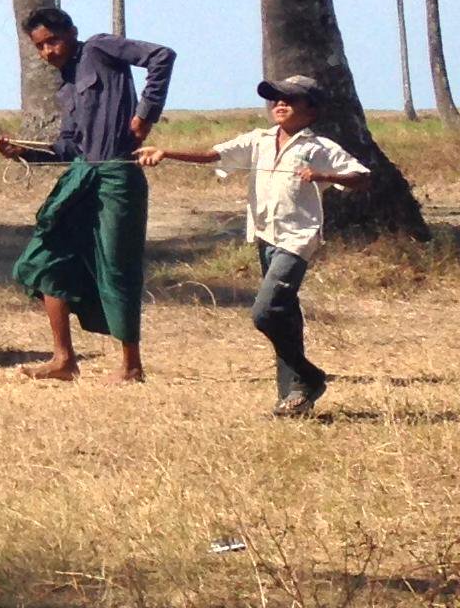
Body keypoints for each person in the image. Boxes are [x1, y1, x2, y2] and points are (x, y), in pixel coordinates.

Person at [136, 75, 371, 416]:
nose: (279, 104)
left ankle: (309, 376)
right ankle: (292, 399)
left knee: (265, 312)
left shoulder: (319, 148)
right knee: (284, 315)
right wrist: (166, 152)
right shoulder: (258, 141)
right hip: (265, 236)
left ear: (312, 109)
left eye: (290, 99)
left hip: (298, 238)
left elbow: (362, 178)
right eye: (275, 98)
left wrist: (324, 177)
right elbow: (212, 154)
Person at [0, 7, 172, 382]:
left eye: (53, 41)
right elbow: (69, 148)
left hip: (117, 178)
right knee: (43, 259)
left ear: (71, 32)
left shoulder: (101, 48)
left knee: (117, 267)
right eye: (40, 47)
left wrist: (145, 114)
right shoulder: (66, 86)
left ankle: (131, 367)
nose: (48, 52)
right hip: (81, 177)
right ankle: (64, 360)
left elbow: (161, 57)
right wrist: (23, 151)